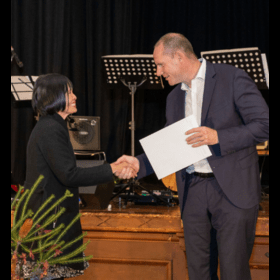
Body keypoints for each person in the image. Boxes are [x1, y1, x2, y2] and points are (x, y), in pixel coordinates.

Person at [116, 33, 269, 280]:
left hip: (233, 192)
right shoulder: (173, 97)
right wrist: (139, 163)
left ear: (178, 56)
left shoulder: (231, 78)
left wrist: (219, 136)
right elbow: (172, 146)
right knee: (198, 273)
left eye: (160, 64)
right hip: (193, 191)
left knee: (234, 273)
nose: (158, 72)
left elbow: (264, 124)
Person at [23, 73, 136, 280]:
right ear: (54, 96)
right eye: (69, 92)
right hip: (50, 227)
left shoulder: (52, 125)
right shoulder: (50, 128)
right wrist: (111, 169)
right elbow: (69, 175)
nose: (75, 96)